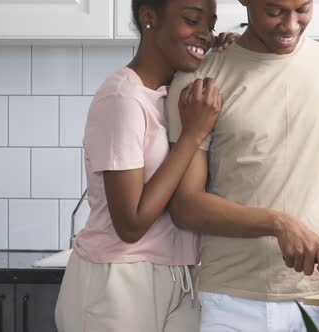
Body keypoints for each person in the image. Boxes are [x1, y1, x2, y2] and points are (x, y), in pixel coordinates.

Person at [166, 0, 319, 330]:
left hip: (317, 298)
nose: (290, 25)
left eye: (302, 9)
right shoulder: (201, 79)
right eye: (274, 11)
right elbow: (185, 205)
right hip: (229, 300)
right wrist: (277, 222)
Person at [54, 0, 237, 330]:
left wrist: (229, 59)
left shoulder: (173, 93)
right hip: (117, 281)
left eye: (210, 26)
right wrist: (192, 135)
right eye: (193, 20)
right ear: (149, 18)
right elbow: (131, 223)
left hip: (178, 275)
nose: (206, 35)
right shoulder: (123, 99)